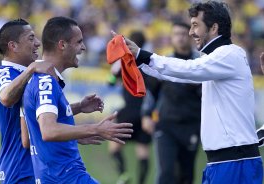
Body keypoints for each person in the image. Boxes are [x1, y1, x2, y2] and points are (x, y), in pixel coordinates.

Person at [117, 1, 263, 184]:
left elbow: (190, 69)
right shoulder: (217, 58)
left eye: (195, 25)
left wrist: (143, 56)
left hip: (234, 161)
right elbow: (182, 75)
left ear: (214, 28)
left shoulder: (228, 54)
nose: (190, 32)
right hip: (226, 160)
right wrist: (139, 61)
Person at [22, 16, 133, 184]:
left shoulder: (43, 79)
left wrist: (78, 108)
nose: (83, 47)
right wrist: (95, 129)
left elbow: (31, 133)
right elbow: (48, 130)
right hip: (65, 177)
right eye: (79, 42)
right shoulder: (46, 81)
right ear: (62, 45)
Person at [0, 18, 57, 184]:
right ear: (13, 46)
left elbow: (41, 115)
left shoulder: (26, 74)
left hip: (35, 165)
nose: (37, 43)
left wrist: (79, 107)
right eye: (31, 38)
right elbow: (6, 97)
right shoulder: (5, 72)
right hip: (19, 167)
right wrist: (32, 69)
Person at [141, 22, 201, 184]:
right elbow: (151, 91)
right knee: (166, 173)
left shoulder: (202, 63)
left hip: (192, 125)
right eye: (176, 34)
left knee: (187, 175)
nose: (180, 38)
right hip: (166, 125)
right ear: (171, 38)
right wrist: (147, 114)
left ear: (190, 37)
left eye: (183, 34)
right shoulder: (164, 63)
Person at [108, 31, 152, 184]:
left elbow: (110, 80)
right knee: (143, 152)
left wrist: (117, 77)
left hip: (128, 111)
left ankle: (123, 175)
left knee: (114, 148)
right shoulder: (148, 60)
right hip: (145, 113)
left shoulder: (122, 61)